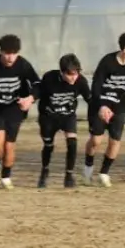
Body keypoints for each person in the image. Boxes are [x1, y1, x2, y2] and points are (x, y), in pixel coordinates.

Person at [84, 32, 125, 185]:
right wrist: (102, 106)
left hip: (119, 106)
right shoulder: (107, 61)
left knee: (115, 140)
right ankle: (88, 166)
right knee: (96, 140)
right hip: (100, 105)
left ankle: (104, 173)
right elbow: (96, 85)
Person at [0, 34, 40, 189]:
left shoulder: (23, 65)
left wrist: (30, 98)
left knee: (9, 146)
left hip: (15, 109)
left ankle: (6, 177)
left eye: (14, 53)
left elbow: (37, 84)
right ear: (0, 51)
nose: (10, 57)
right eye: (7, 53)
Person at [36, 53, 90, 189]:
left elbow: (90, 99)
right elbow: (38, 93)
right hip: (49, 116)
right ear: (61, 72)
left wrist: (102, 108)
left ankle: (69, 175)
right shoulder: (49, 78)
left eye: (76, 73)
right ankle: (45, 170)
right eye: (70, 74)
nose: (73, 78)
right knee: (48, 145)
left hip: (68, 115)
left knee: (72, 142)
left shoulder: (81, 81)